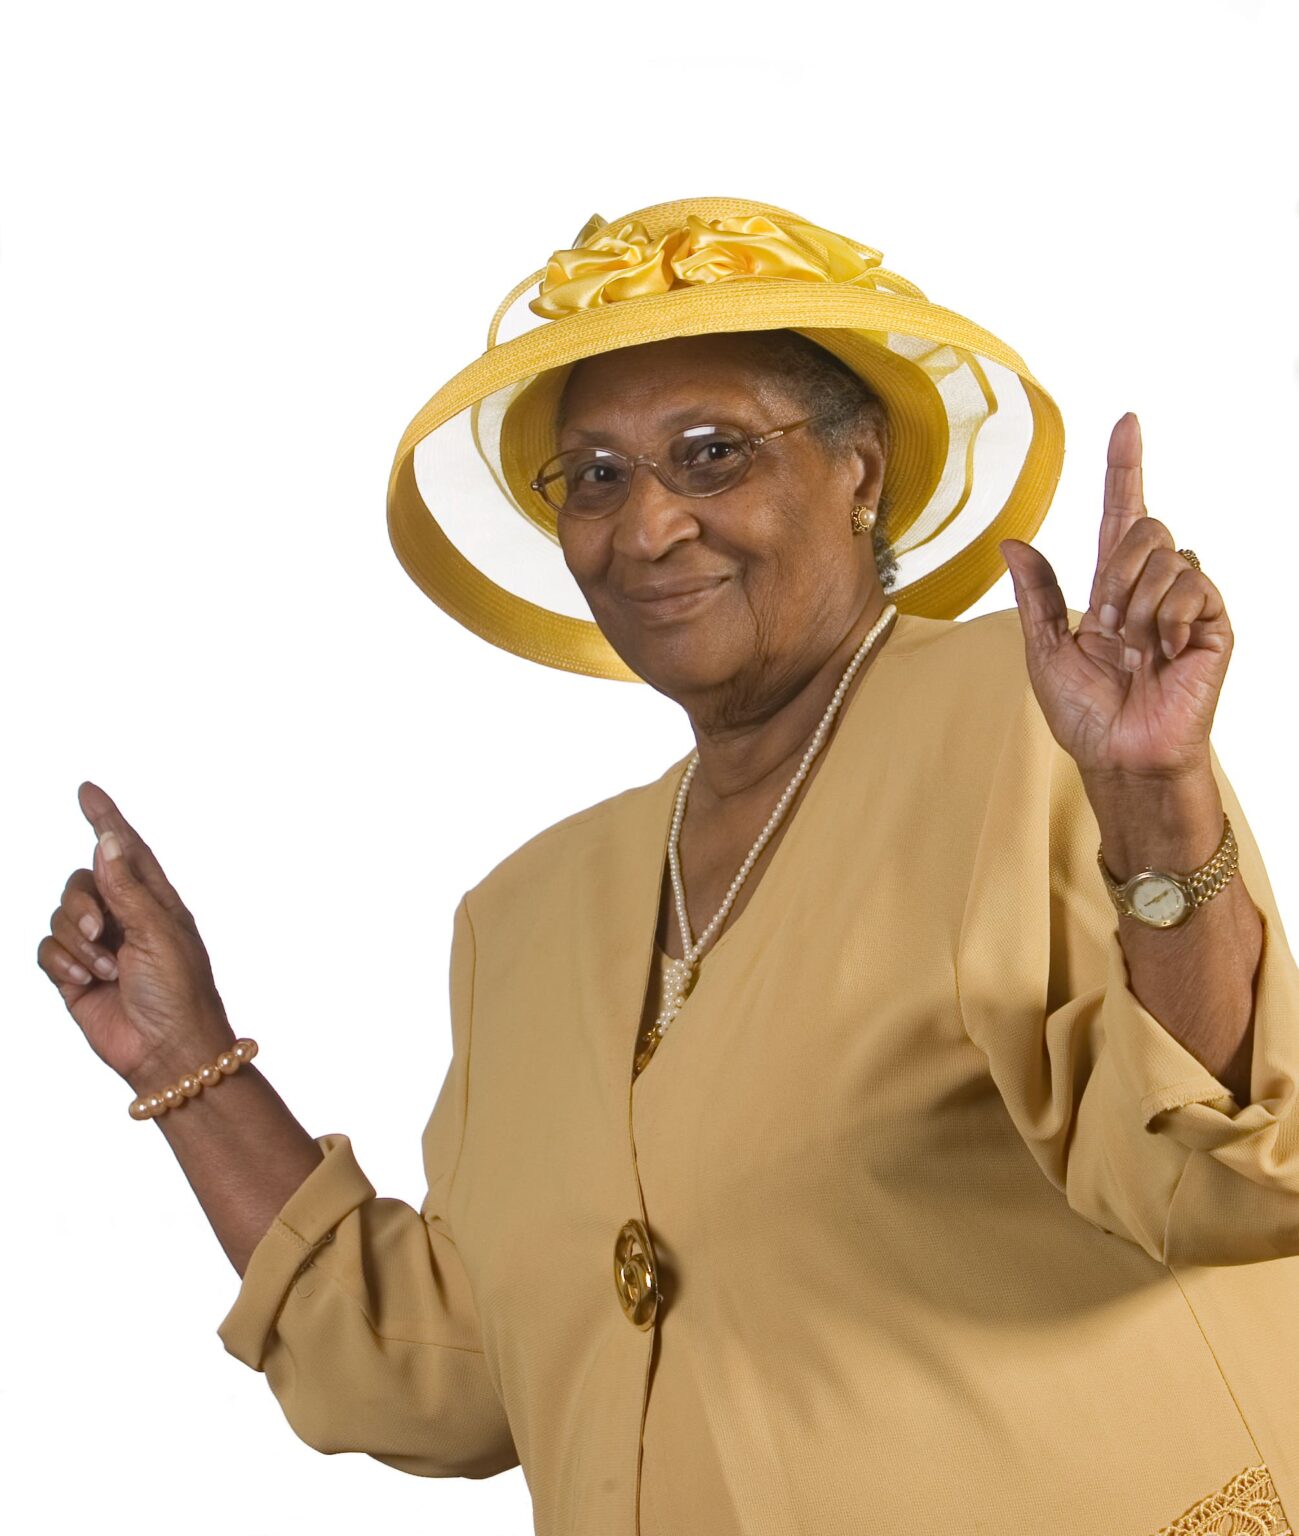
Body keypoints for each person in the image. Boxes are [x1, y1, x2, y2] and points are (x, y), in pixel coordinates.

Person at [38, 197, 1299, 1535]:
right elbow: (460, 1373)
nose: (645, 530)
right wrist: (185, 1064)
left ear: (861, 464)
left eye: (710, 455)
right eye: (594, 476)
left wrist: (1158, 802)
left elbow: (1225, 1179)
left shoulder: (1036, 720)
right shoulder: (524, 914)